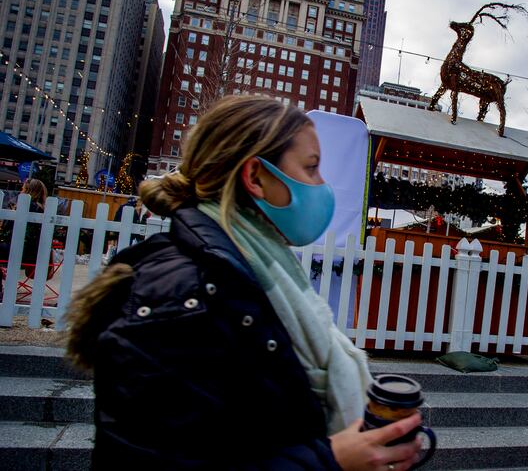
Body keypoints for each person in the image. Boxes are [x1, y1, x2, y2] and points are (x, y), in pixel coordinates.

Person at [66, 95, 422, 470]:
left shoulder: (260, 272)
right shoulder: (180, 299)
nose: (322, 185)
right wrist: (330, 459)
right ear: (255, 177)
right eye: (311, 167)